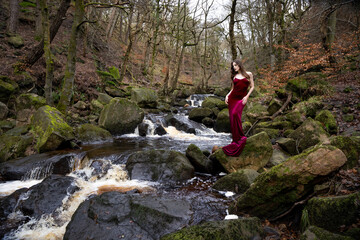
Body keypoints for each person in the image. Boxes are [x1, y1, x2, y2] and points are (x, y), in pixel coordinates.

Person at [222, 59, 254, 156]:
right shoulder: (234, 76)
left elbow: (252, 86)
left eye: (235, 65)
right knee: (232, 118)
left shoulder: (249, 74)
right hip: (232, 99)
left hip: (241, 99)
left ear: (239, 65)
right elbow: (232, 89)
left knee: (236, 114)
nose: (234, 67)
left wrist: (246, 97)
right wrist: (227, 95)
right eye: (233, 66)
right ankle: (235, 139)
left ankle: (241, 137)